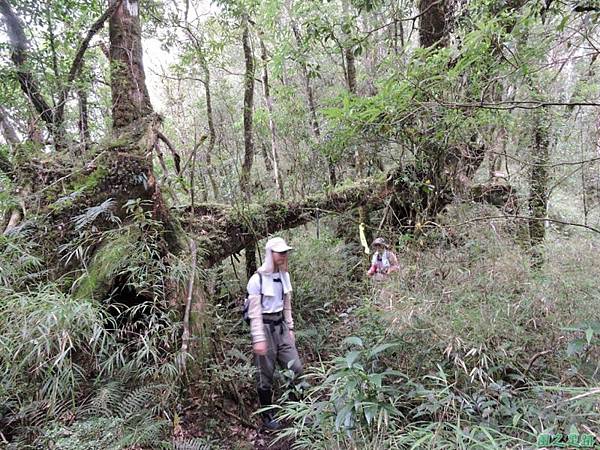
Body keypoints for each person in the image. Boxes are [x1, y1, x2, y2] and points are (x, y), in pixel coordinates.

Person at [246, 236, 303, 430]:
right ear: (270, 253)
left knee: (296, 367)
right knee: (265, 375)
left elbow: (287, 305)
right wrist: (259, 338)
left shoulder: (284, 276)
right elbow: (254, 313)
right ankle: (267, 415)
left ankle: (297, 408)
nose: (283, 255)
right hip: (265, 328)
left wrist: (291, 327)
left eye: (285, 252)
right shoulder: (257, 279)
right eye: (280, 252)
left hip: (282, 328)